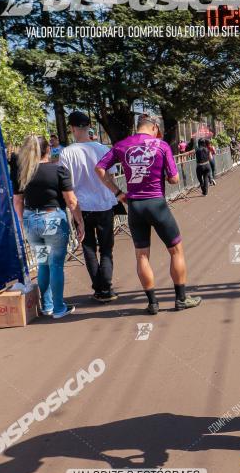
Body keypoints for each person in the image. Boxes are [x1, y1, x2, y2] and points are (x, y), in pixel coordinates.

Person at [95, 114, 202, 315]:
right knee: (176, 250)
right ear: (154, 127)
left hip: (135, 206)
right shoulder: (161, 146)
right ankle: (181, 299)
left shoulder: (121, 145)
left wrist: (118, 193)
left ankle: (152, 303)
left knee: (142, 255)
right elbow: (174, 179)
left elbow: (99, 168)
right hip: (157, 204)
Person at [11, 135, 84, 319]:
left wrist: (21, 223)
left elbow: (18, 201)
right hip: (52, 220)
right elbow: (71, 200)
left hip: (31, 221)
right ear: (48, 150)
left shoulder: (22, 171)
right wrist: (79, 222)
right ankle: (59, 308)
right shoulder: (58, 169)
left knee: (42, 263)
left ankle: (47, 306)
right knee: (56, 265)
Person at [59, 110, 119, 302]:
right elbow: (112, 175)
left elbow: (64, 183)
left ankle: (98, 288)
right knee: (107, 248)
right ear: (88, 127)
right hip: (104, 203)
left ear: (72, 128)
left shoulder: (66, 153)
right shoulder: (102, 149)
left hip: (81, 206)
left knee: (88, 247)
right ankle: (106, 287)